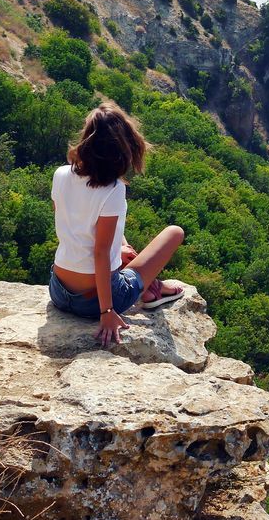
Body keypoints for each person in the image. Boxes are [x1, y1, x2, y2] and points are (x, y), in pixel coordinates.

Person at [49, 104, 185, 346]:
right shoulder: (113, 190)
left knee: (123, 247)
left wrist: (119, 249)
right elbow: (100, 253)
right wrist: (107, 312)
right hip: (93, 302)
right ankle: (152, 288)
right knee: (175, 233)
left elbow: (73, 226)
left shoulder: (60, 174)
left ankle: (151, 287)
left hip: (58, 290)